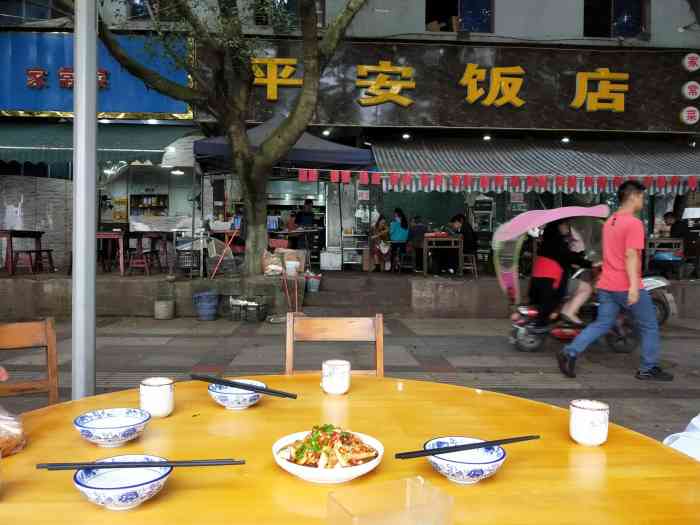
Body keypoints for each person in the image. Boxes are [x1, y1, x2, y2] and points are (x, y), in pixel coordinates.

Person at [557, 181, 674, 381]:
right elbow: (630, 256)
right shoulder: (633, 223)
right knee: (649, 325)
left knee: (603, 323)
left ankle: (570, 351)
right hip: (625, 283)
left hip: (606, 283)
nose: (643, 201)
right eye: (642, 197)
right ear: (634, 196)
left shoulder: (610, 221)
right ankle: (648, 368)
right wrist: (634, 288)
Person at [529, 221, 591, 329]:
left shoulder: (548, 240)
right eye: (566, 225)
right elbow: (568, 257)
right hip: (553, 281)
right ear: (559, 226)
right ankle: (569, 312)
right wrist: (589, 263)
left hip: (540, 280)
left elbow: (565, 257)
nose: (568, 227)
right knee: (586, 288)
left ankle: (565, 313)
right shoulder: (557, 241)